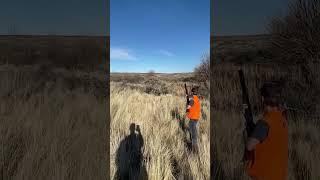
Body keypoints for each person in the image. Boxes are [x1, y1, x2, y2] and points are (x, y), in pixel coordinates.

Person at [245, 82, 288, 180]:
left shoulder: (265, 122)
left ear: (263, 99)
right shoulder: (282, 119)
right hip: (279, 175)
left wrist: (249, 132)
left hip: (264, 176)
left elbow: (249, 146)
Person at [186, 86, 201, 153]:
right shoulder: (197, 98)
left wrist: (187, 108)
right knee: (193, 133)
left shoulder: (192, 99)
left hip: (192, 119)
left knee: (193, 135)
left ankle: (194, 151)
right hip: (196, 118)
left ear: (192, 92)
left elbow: (190, 105)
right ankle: (194, 148)